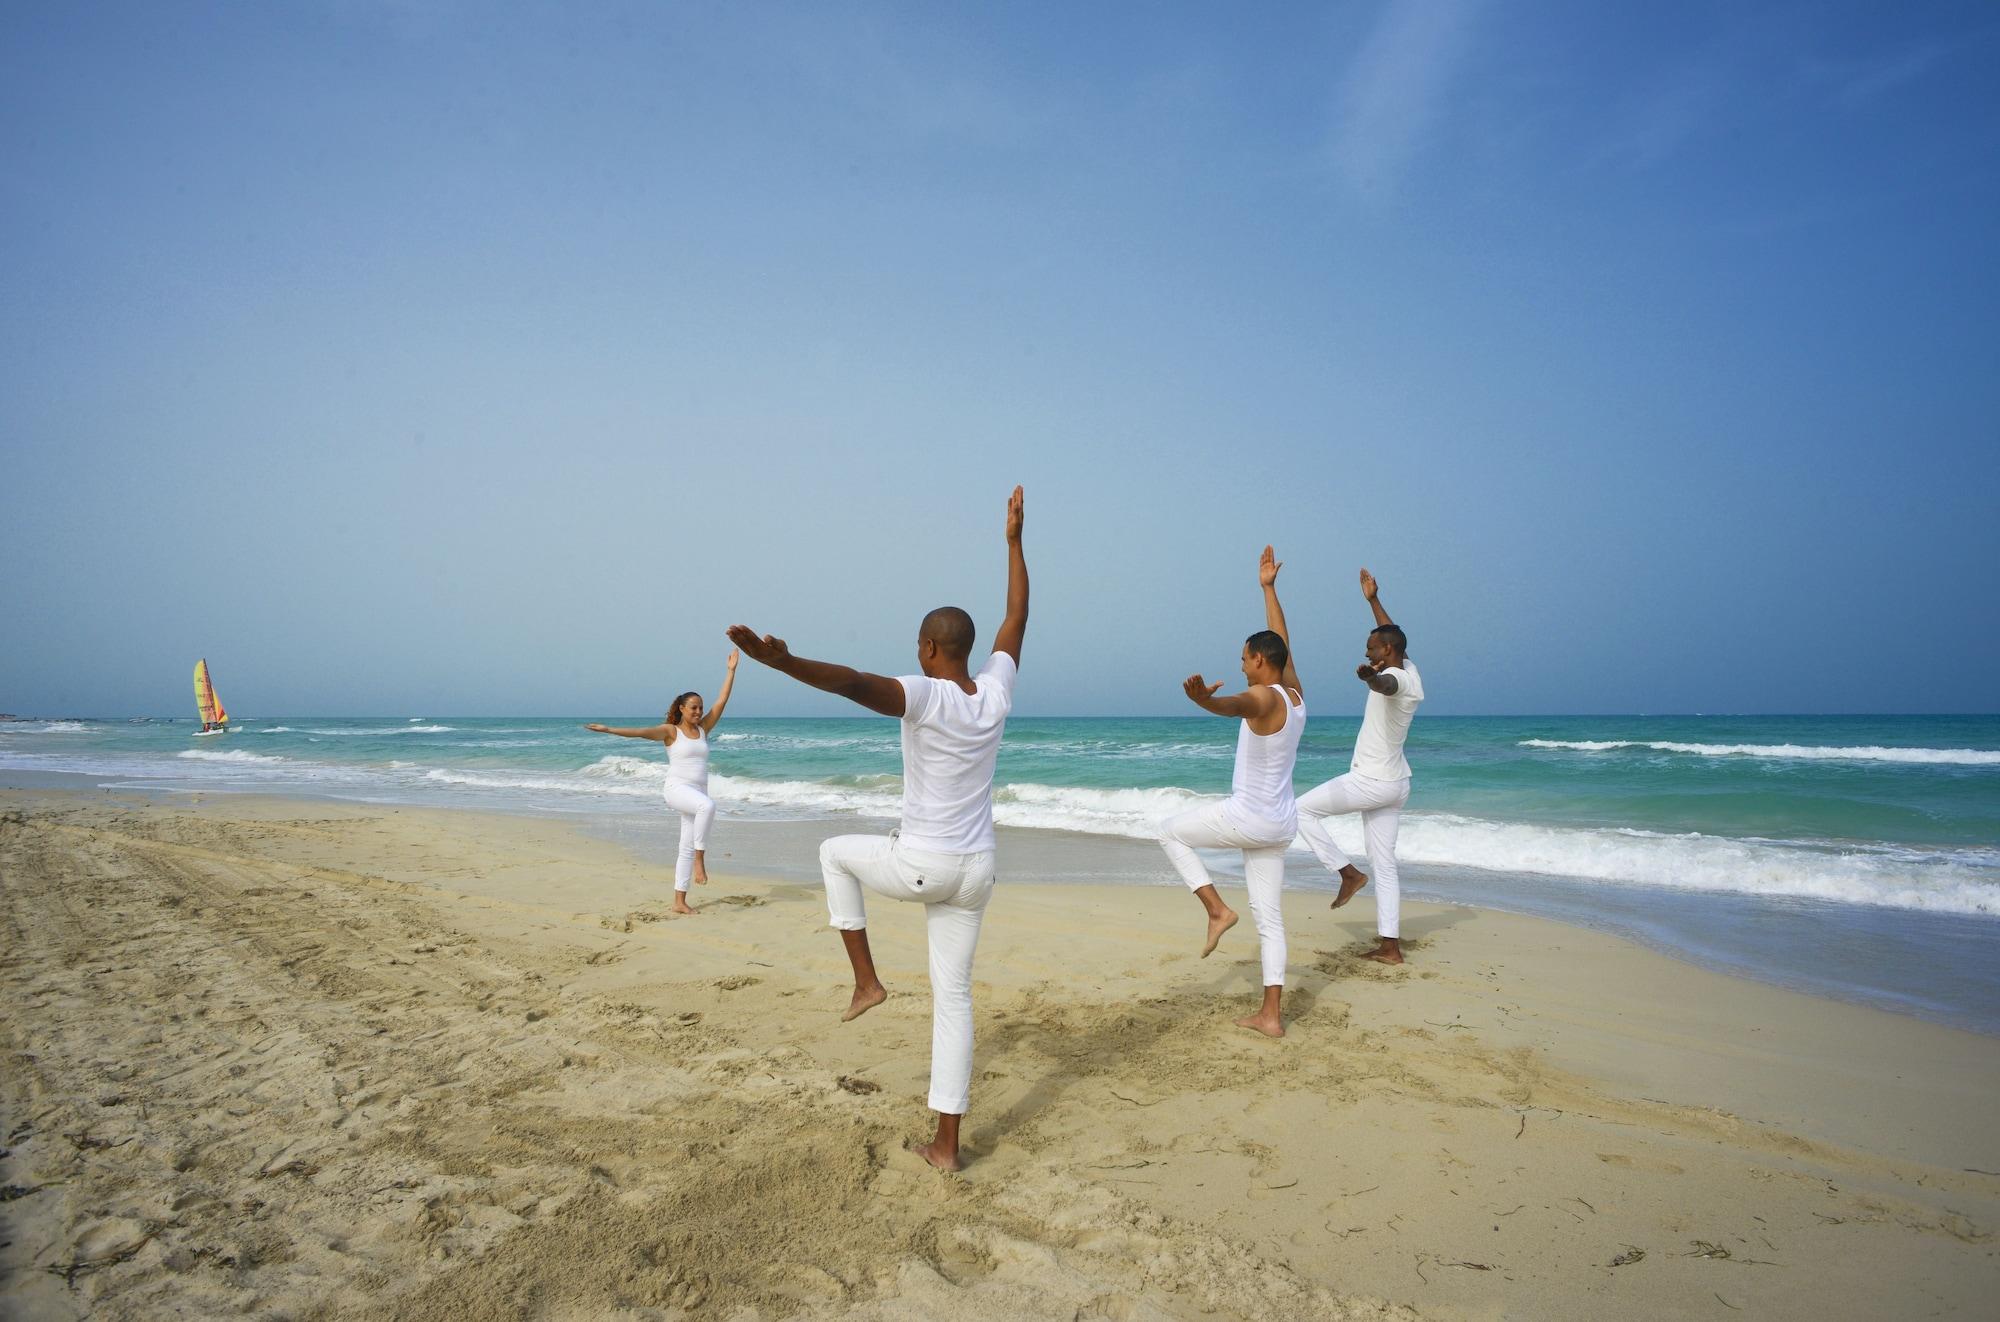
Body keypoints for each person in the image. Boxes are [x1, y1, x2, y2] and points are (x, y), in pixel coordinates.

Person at [726, 485, 1028, 1172]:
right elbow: (1017, 614)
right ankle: (946, 1147)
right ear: (967, 648)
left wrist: (784, 663)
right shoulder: (997, 691)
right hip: (978, 868)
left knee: (833, 851)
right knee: (953, 1000)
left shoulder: (925, 693)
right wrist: (1013, 542)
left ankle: (866, 982)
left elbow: (855, 683)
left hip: (925, 863)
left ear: (927, 648)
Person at [1157, 545, 1305, 1039]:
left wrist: (1205, 700)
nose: (1241, 664)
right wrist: (1268, 589)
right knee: (1270, 920)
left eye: (1244, 658)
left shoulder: (1262, 696)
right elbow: (1282, 640)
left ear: (1259, 661)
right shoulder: (1295, 691)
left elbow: (1238, 703)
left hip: (1251, 817)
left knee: (1170, 833)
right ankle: (1271, 1015)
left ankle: (1217, 909)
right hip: (1281, 824)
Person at [1296, 569, 1424, 964]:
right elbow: (1391, 633)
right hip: (1396, 783)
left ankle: (1347, 873)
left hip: (1372, 781)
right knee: (1385, 866)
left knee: (1299, 810)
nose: (1367, 652)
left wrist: (1371, 679)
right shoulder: (1410, 667)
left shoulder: (1397, 679)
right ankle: (1390, 947)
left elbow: (1387, 685)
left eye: (1372, 649)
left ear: (1385, 654)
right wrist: (1372, 600)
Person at [585, 649, 739, 915]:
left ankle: (679, 901)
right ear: (681, 708)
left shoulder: (703, 729)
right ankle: (700, 861)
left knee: (685, 845)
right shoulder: (671, 731)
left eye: (700, 707)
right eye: (694, 707)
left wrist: (731, 671)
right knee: (707, 807)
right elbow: (640, 733)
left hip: (697, 790)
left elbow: (722, 701)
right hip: (677, 790)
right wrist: (609, 729)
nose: (699, 711)